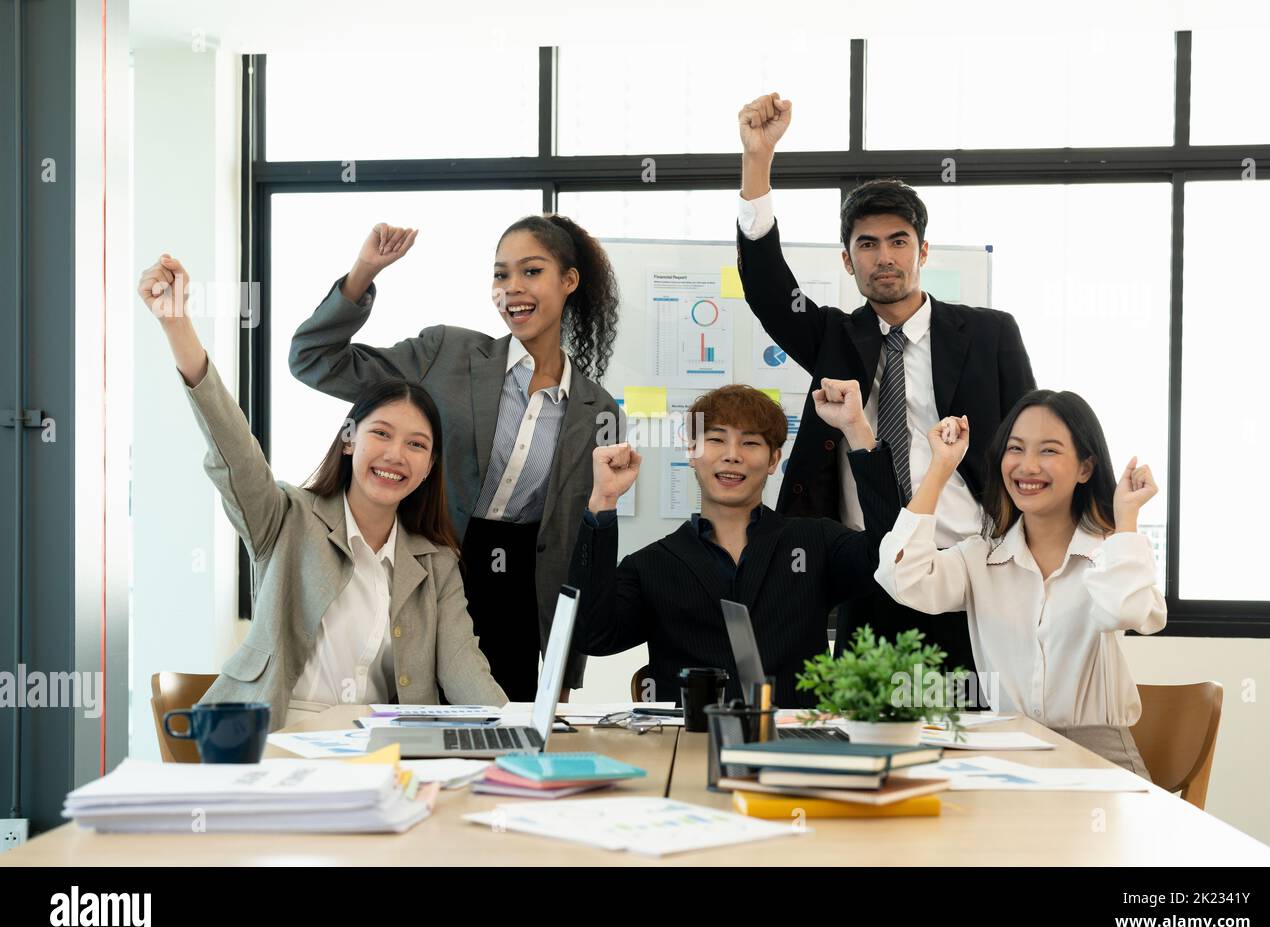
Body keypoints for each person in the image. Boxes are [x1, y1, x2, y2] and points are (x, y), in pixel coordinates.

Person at [735, 91, 1037, 677]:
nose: (884, 256)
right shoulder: (832, 337)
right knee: (865, 732)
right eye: (867, 245)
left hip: (968, 568)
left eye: (899, 241)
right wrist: (757, 162)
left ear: (923, 251)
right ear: (848, 262)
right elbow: (768, 289)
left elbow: (1025, 444)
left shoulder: (990, 334)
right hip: (867, 567)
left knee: (968, 734)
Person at [138, 253, 506, 730]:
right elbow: (232, 447)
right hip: (275, 736)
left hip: (380, 749)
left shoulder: (435, 561)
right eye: (381, 434)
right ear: (349, 439)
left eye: (417, 445)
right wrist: (177, 325)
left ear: (429, 466)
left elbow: (465, 671)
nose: (397, 454)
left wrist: (525, 734)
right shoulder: (287, 517)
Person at [288, 216, 621, 701]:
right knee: (413, 724)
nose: (512, 289)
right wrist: (364, 273)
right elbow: (315, 360)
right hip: (429, 563)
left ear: (569, 281)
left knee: (503, 737)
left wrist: (563, 667)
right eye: (501, 274)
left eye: (531, 272)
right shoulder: (447, 352)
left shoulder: (599, 411)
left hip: (520, 596)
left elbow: (572, 539)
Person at [874, 392, 1165, 777]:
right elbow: (902, 578)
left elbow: (1124, 610)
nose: (1027, 466)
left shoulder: (1113, 552)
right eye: (1016, 449)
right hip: (1006, 752)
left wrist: (1125, 518)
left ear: (1085, 468)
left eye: (1048, 451)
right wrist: (940, 469)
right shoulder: (981, 557)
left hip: (1099, 759)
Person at [568, 378, 896, 708]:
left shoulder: (815, 543)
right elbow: (592, 635)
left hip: (794, 745)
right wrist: (603, 501)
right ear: (692, 453)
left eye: (750, 443)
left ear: (773, 460)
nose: (731, 455)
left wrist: (856, 430)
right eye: (715, 440)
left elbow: (891, 558)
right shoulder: (651, 564)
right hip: (688, 745)